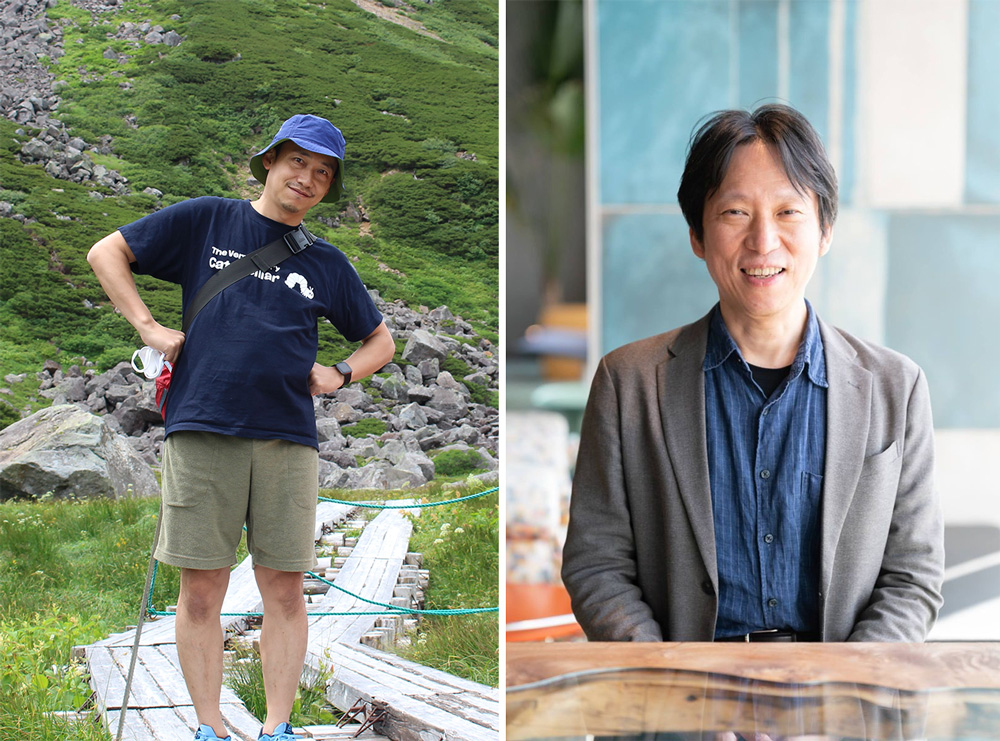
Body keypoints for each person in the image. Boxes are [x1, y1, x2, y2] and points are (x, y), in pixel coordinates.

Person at [561, 104, 944, 643]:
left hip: (837, 707)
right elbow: (597, 566)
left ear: (825, 230)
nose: (763, 242)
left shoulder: (894, 387)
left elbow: (913, 578)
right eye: (736, 213)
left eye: (788, 212)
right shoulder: (629, 382)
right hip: (676, 705)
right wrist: (680, 696)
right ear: (697, 235)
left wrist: (836, 702)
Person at [88, 114, 395, 741]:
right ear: (269, 162)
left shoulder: (326, 262)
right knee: (201, 588)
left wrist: (339, 372)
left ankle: (277, 728)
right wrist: (149, 328)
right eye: (298, 163)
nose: (306, 179)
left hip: (287, 438)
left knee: (284, 588)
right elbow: (106, 252)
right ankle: (208, 728)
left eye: (321, 173)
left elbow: (380, 341)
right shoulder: (207, 220)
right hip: (202, 426)